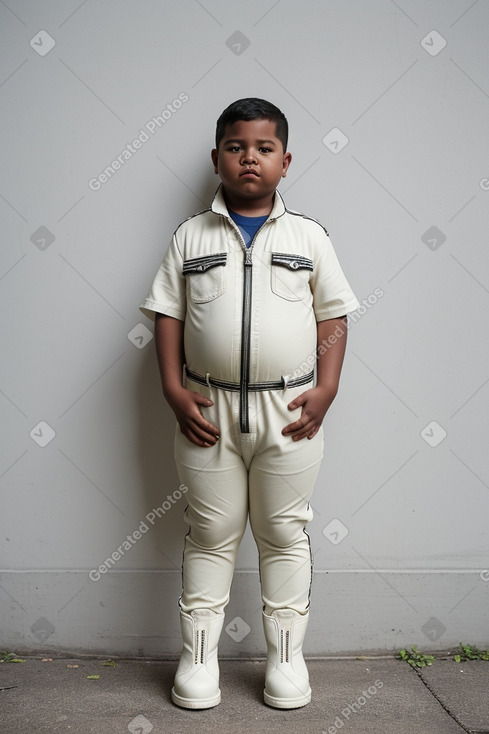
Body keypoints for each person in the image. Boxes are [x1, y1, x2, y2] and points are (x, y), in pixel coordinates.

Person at [139, 98, 359, 710]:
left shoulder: (308, 236)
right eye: (236, 147)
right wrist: (172, 389)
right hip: (206, 410)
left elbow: (334, 314)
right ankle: (199, 661)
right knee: (210, 531)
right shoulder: (190, 235)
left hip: (289, 414)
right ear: (217, 158)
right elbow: (167, 313)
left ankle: (286, 660)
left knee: (284, 533)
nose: (249, 158)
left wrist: (327, 388)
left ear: (285, 161)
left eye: (264, 148)